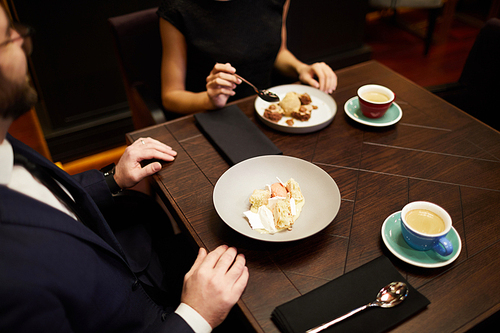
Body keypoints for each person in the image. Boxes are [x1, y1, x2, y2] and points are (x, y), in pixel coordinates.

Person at [0, 3, 248, 332]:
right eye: (5, 36)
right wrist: (195, 316)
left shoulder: (5, 142)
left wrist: (112, 179)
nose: (20, 39)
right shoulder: (10, 285)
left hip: (134, 256)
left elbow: (43, 200)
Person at [158, 0, 338, 114]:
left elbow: (277, 53)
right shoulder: (177, 8)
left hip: (265, 109)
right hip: (208, 116)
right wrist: (208, 100)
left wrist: (301, 68)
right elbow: (171, 96)